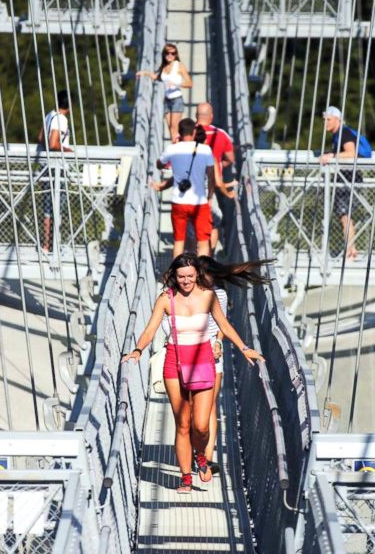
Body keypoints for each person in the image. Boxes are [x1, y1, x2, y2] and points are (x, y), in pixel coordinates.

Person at [122, 254, 263, 493]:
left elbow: (224, 325)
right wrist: (137, 350)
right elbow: (150, 329)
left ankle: (200, 454)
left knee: (201, 425)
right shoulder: (166, 299)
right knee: (183, 425)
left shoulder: (208, 296)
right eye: (181, 277)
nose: (186, 281)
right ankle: (185, 477)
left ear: (197, 274)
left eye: (189, 276)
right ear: (174, 277)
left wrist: (244, 348)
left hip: (203, 361)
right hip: (174, 364)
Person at [195, 255, 272, 475]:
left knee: (210, 405)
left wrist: (219, 342)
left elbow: (223, 324)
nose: (205, 280)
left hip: (211, 353)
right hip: (188, 353)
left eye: (208, 276)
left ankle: (206, 459)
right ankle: (197, 448)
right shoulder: (185, 293)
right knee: (193, 410)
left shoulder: (218, 293)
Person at [153, 119, 234, 257]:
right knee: (203, 242)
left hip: (178, 202)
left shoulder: (172, 149)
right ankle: (203, 274)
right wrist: (209, 196)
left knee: (179, 242)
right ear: (194, 131)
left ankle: (176, 275)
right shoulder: (205, 150)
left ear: (179, 132)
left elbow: (159, 164)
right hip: (199, 202)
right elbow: (211, 176)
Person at [318, 106, 371, 259]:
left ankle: (351, 250)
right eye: (324, 120)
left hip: (350, 178)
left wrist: (332, 156)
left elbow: (351, 153)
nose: (325, 123)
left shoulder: (344, 133)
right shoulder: (338, 134)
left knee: (344, 214)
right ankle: (351, 248)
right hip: (346, 178)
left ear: (337, 119)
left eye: (328, 120)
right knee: (344, 215)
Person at [195, 103, 237, 252]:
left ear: (196, 116)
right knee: (214, 223)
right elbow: (231, 160)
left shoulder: (185, 133)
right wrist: (219, 166)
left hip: (185, 195)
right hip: (208, 194)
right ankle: (209, 258)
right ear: (211, 116)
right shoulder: (220, 135)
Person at [36, 90, 73, 252]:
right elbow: (53, 143)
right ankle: (53, 245)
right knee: (57, 207)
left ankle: (46, 244)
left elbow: (40, 138)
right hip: (57, 168)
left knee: (48, 208)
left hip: (46, 166)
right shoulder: (62, 119)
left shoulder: (49, 115)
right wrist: (67, 150)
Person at [137, 43, 193, 142]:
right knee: (170, 128)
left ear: (176, 54)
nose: (170, 55)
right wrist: (144, 73)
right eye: (167, 53)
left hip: (177, 100)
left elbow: (189, 83)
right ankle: (175, 148)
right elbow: (157, 77)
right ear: (164, 54)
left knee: (174, 128)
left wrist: (176, 83)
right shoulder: (164, 66)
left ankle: (177, 150)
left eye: (173, 53)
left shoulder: (179, 65)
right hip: (167, 100)